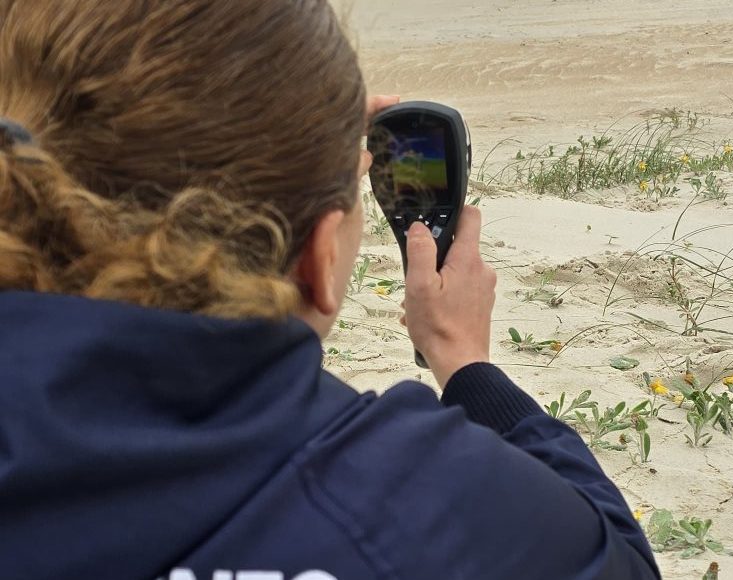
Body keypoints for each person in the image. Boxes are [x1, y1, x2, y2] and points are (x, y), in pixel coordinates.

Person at [0, 1, 661, 579]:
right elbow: (616, 559)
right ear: (318, 261)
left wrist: (312, 156)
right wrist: (463, 360)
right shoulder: (410, 495)